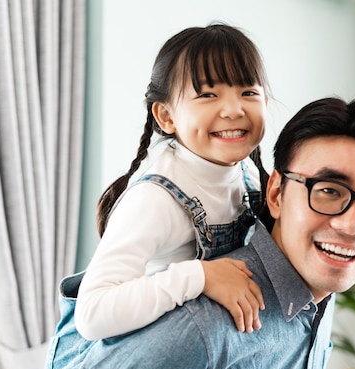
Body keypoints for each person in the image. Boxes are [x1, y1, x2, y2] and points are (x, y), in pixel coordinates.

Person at [14, 96, 355, 369]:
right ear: (276, 193)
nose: (353, 226)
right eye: (329, 191)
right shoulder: (201, 327)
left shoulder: (317, 294)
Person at [75, 22, 272, 350]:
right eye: (208, 94)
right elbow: (92, 314)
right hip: (143, 368)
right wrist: (201, 277)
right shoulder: (156, 199)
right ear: (166, 117)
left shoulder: (248, 175)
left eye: (248, 92)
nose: (234, 109)